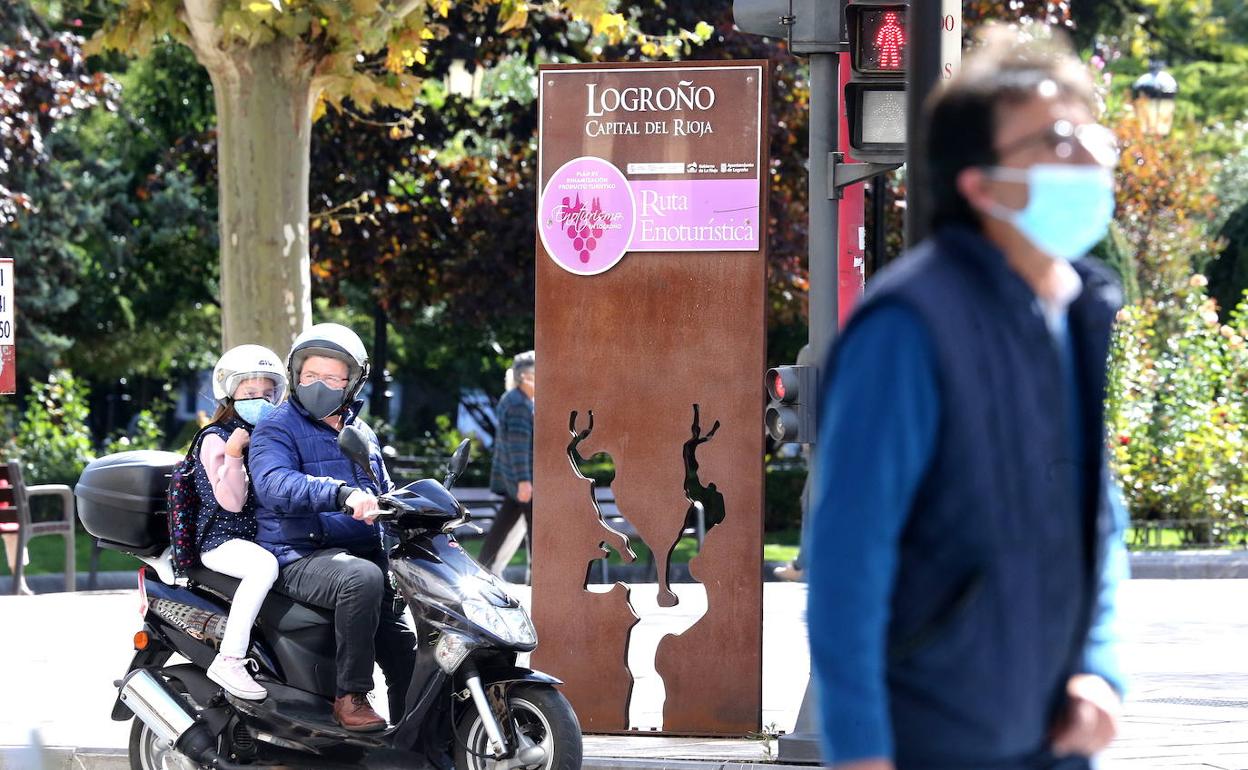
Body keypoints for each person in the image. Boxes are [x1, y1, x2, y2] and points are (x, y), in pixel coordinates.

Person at [807, 28, 1129, 770]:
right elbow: (848, 557)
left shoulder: (1077, 309)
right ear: (979, 183)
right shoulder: (910, 326)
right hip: (931, 741)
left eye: (1089, 132)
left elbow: (1097, 521)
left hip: (1053, 739)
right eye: (1055, 139)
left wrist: (1100, 672)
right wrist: (859, 748)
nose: (1086, 156)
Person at [249, 323, 416, 732]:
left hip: (360, 555)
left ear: (352, 383)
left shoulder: (361, 432)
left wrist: (419, 513)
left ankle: (422, 735)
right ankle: (351, 696)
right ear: (295, 376)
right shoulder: (277, 426)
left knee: (406, 649)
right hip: (298, 553)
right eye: (310, 376)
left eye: (330, 377)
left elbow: (382, 492)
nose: (318, 385)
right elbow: (273, 484)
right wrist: (339, 493)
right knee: (361, 578)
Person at [195, 345, 286, 701]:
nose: (259, 400)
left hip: (254, 535)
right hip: (221, 540)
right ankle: (230, 658)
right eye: (250, 394)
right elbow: (231, 502)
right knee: (264, 568)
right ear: (230, 394)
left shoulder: (267, 434)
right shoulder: (216, 438)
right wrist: (233, 454)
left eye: (267, 393)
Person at [478, 350, 535, 575]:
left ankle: (482, 570)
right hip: (520, 478)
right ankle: (539, 580)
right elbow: (517, 446)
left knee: (504, 526)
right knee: (537, 531)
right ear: (525, 377)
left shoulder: (517, 399)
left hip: (516, 479)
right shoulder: (519, 404)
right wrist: (524, 481)